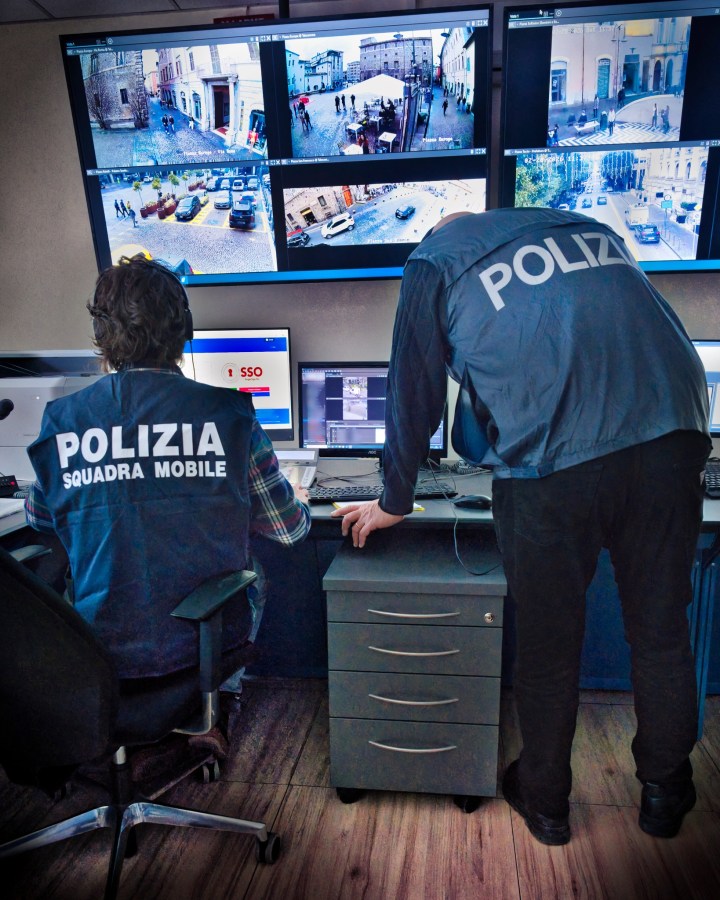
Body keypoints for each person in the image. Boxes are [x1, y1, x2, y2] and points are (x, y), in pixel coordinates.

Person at [332, 207, 710, 846]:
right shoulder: (582, 226)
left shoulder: (433, 259)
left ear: (439, 231)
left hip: (552, 463)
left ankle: (547, 804)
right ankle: (665, 795)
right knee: (661, 631)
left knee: (549, 643)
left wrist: (394, 500)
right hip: (676, 434)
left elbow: (413, 389)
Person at [24, 255, 311, 681]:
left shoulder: (62, 421)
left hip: (99, 646)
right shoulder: (230, 416)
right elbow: (290, 529)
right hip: (200, 640)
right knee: (258, 572)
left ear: (102, 335)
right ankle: (220, 697)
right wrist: (291, 499)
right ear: (184, 331)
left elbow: (39, 517)